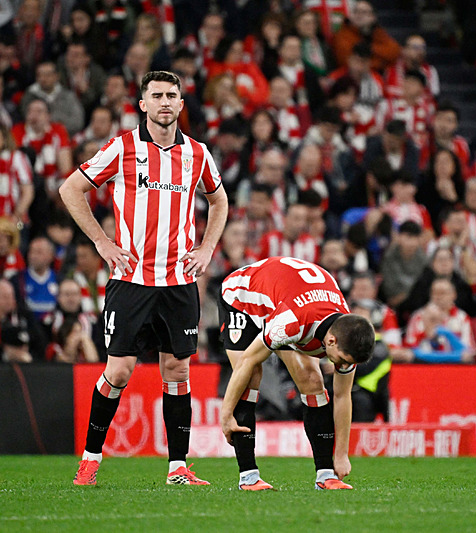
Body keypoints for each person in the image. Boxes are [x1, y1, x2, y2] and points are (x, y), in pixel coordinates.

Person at [60, 71, 228, 486]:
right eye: (157, 96)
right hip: (130, 280)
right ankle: (90, 461)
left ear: (181, 105)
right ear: (143, 104)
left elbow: (219, 200)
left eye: (172, 95)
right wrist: (101, 242)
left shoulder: (197, 153)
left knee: (177, 371)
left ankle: (177, 469)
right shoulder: (123, 148)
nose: (165, 102)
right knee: (118, 372)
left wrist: (206, 249)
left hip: (177, 282)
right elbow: (70, 188)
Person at [218, 256, 374, 490]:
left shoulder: (348, 333)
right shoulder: (291, 324)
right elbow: (248, 360)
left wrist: (341, 454)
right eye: (341, 360)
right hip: (242, 296)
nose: (341, 367)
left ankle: (325, 475)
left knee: (312, 380)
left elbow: (343, 396)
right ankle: (248, 477)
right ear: (331, 341)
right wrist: (226, 413)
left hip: (285, 300)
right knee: (252, 376)